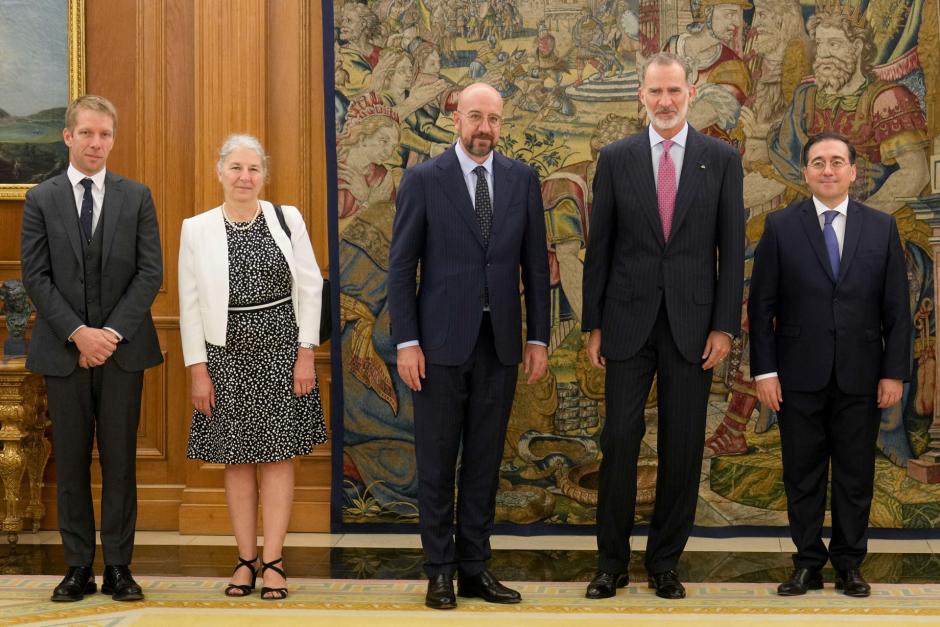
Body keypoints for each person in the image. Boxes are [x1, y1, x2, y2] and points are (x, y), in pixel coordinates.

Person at [581, 52, 745, 600]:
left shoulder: (721, 158)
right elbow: (598, 248)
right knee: (620, 440)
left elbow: (731, 249)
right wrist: (594, 325)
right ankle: (610, 563)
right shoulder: (616, 158)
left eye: (674, 91)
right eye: (656, 92)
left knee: (683, 446)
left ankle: (665, 562)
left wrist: (724, 326)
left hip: (694, 327)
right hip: (626, 322)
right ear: (641, 96)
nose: (665, 102)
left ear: (691, 92)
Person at [388, 82, 550, 610]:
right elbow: (401, 267)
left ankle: (476, 568)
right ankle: (439, 571)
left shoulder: (522, 179)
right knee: (437, 462)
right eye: (475, 117)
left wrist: (538, 338)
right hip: (436, 347)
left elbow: (533, 265)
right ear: (456, 117)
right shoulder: (423, 179)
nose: (485, 128)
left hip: (500, 344)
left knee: (483, 462)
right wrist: (407, 341)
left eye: (494, 119)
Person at [749, 132, 911, 597]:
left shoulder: (881, 228)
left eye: (837, 161)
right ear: (806, 172)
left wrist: (893, 372)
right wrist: (765, 372)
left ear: (852, 172)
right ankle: (806, 564)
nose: (828, 169)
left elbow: (897, 310)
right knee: (802, 473)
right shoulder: (780, 226)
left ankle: (848, 564)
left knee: (856, 474)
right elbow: (761, 308)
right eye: (818, 161)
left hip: (863, 374)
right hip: (796, 374)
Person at [20, 94, 163, 602]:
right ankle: (78, 566)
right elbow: (35, 276)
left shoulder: (137, 196)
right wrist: (78, 333)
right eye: (86, 133)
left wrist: (109, 335)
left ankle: (120, 567)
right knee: (74, 461)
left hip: (123, 353)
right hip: (64, 352)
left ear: (112, 139)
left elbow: (151, 273)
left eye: (104, 134)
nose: (96, 143)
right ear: (68, 136)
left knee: (121, 462)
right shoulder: (41, 199)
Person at [178, 134, 327, 600]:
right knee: (238, 461)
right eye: (236, 168)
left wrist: (306, 352)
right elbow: (190, 303)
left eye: (254, 169)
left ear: (265, 175)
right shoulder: (196, 228)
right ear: (219, 171)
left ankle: (275, 562)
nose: (245, 177)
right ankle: (245, 560)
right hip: (225, 356)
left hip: (283, 350)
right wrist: (197, 369)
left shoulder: (288, 219)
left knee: (280, 457)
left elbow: (310, 287)